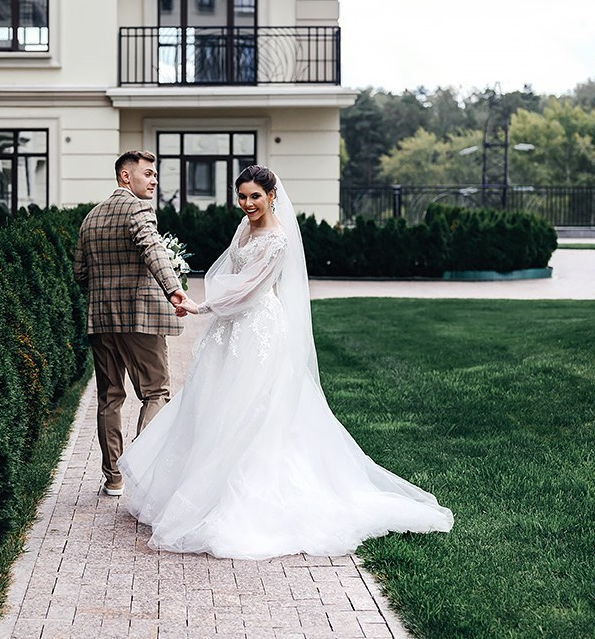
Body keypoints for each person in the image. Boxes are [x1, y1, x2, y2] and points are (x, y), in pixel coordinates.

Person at [118, 165, 453, 558]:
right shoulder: (245, 228)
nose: (247, 204)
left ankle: (247, 498)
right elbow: (230, 268)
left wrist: (201, 306)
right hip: (233, 329)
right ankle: (196, 489)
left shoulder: (277, 241)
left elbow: (248, 288)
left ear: (271, 195)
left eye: (254, 197)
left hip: (259, 327)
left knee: (257, 409)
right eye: (241, 196)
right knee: (213, 403)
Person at [74, 150, 188, 497]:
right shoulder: (138, 209)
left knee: (109, 397)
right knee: (156, 392)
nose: (154, 181)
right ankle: (140, 465)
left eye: (155, 176)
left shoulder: (90, 218)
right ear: (126, 177)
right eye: (148, 174)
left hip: (101, 319)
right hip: (139, 318)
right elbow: (152, 249)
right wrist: (174, 290)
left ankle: (113, 478)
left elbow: (79, 272)